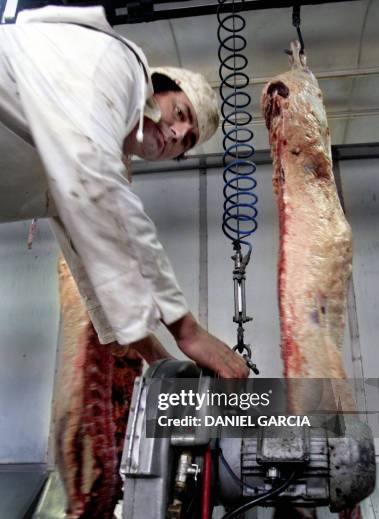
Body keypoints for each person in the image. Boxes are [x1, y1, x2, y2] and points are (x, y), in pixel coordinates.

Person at [0, 5, 249, 378]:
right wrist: (187, 330)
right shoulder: (117, 65)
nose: (179, 135)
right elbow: (94, 182)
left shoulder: (102, 156)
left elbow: (87, 260)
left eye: (189, 141)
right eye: (180, 113)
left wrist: (159, 359)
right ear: (157, 88)